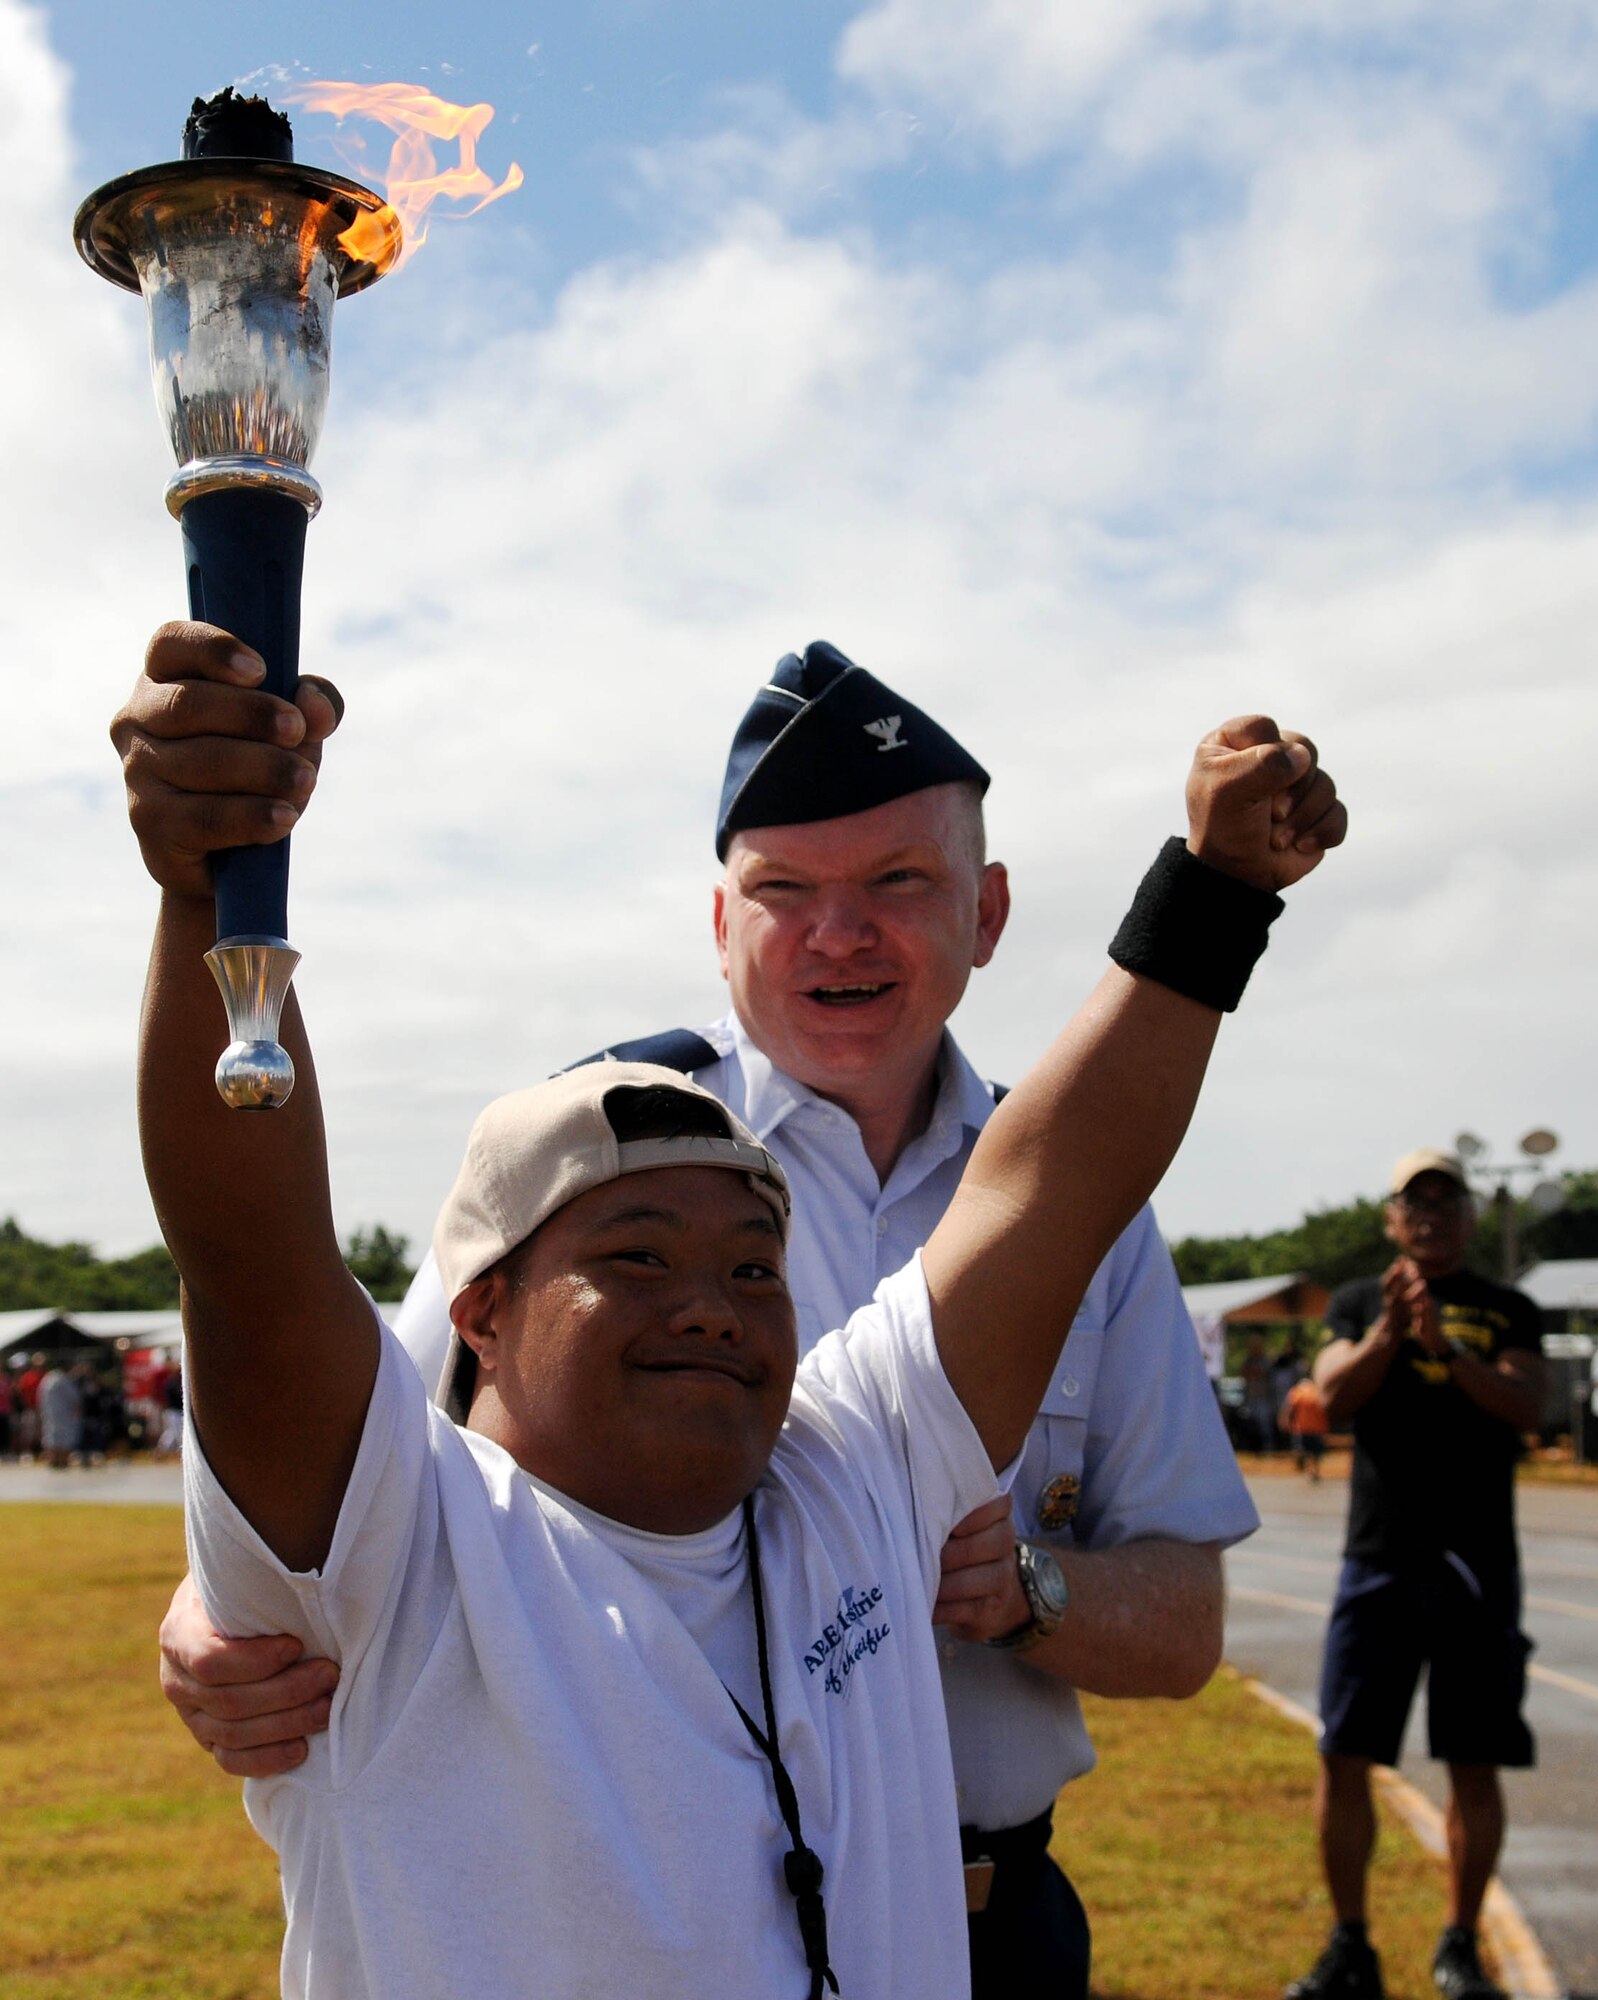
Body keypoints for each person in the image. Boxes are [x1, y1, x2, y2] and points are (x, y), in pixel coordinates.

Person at [113, 617, 1342, 1997]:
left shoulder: (842, 1473)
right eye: (635, 1255)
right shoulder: (412, 1554)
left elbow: (1050, 1190)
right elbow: (250, 1260)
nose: (712, 1304)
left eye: (757, 1268)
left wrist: (1219, 889)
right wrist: (210, 884)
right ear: (481, 1314)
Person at [1287, 1150, 1545, 2000]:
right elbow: (1333, 1395)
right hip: (1380, 1559)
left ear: (1469, 1218)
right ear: (1391, 1219)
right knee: (1347, 1753)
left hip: (1475, 1568)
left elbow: (1526, 1405)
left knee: (1474, 1761)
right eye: (1415, 1203)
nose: (1431, 1216)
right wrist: (1393, 1334)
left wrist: (1446, 1346)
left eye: (1447, 1201)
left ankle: (1460, 1945)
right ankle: (1351, 1945)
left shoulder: (1508, 1308)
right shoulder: (1362, 1303)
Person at [1280, 1373, 1328, 1481]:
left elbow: (1290, 1408)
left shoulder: (1297, 1392)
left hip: (1302, 1428)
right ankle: (1314, 1471)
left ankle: (1305, 1466)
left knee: (1302, 1449)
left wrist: (1285, 1421)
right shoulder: (1317, 1391)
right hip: (1317, 1428)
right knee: (1316, 1452)